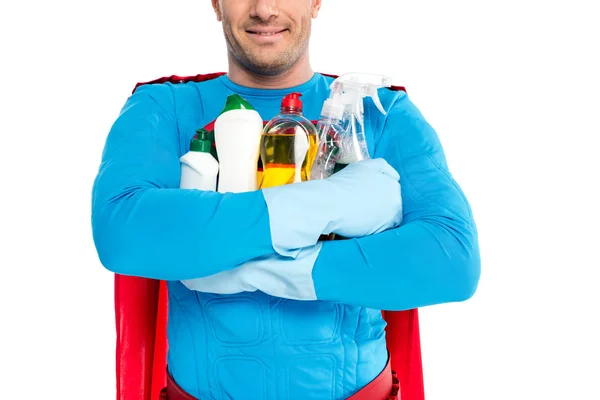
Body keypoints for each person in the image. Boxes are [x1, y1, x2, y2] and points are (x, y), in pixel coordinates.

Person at [91, 0, 481, 399]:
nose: (264, 9)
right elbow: (123, 230)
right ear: (215, 4)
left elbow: (452, 260)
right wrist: (331, 202)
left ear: (315, 2)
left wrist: (242, 268)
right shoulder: (163, 108)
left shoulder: (381, 112)